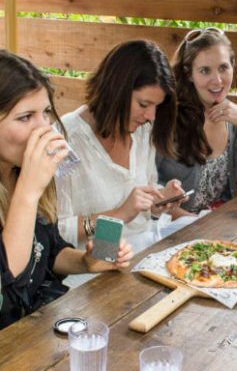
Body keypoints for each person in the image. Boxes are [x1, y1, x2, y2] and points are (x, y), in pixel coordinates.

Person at [0, 50, 133, 330]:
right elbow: (6, 287)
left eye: (46, 112)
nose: (44, 128)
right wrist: (27, 193)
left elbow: (48, 251)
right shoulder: (28, 183)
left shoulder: (19, 171)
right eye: (25, 117)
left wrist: (88, 261)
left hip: (42, 327)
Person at [56, 40, 186, 254]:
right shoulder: (65, 142)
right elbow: (58, 232)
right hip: (92, 266)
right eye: (143, 105)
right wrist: (118, 215)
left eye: (157, 106)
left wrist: (157, 200)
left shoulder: (142, 131)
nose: (151, 117)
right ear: (115, 90)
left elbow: (139, 215)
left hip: (145, 251)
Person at [157, 28, 237, 213]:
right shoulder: (166, 117)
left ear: (233, 66)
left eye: (223, 68)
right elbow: (147, 188)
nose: (217, 80)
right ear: (189, 73)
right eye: (205, 71)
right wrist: (194, 224)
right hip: (175, 230)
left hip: (220, 229)